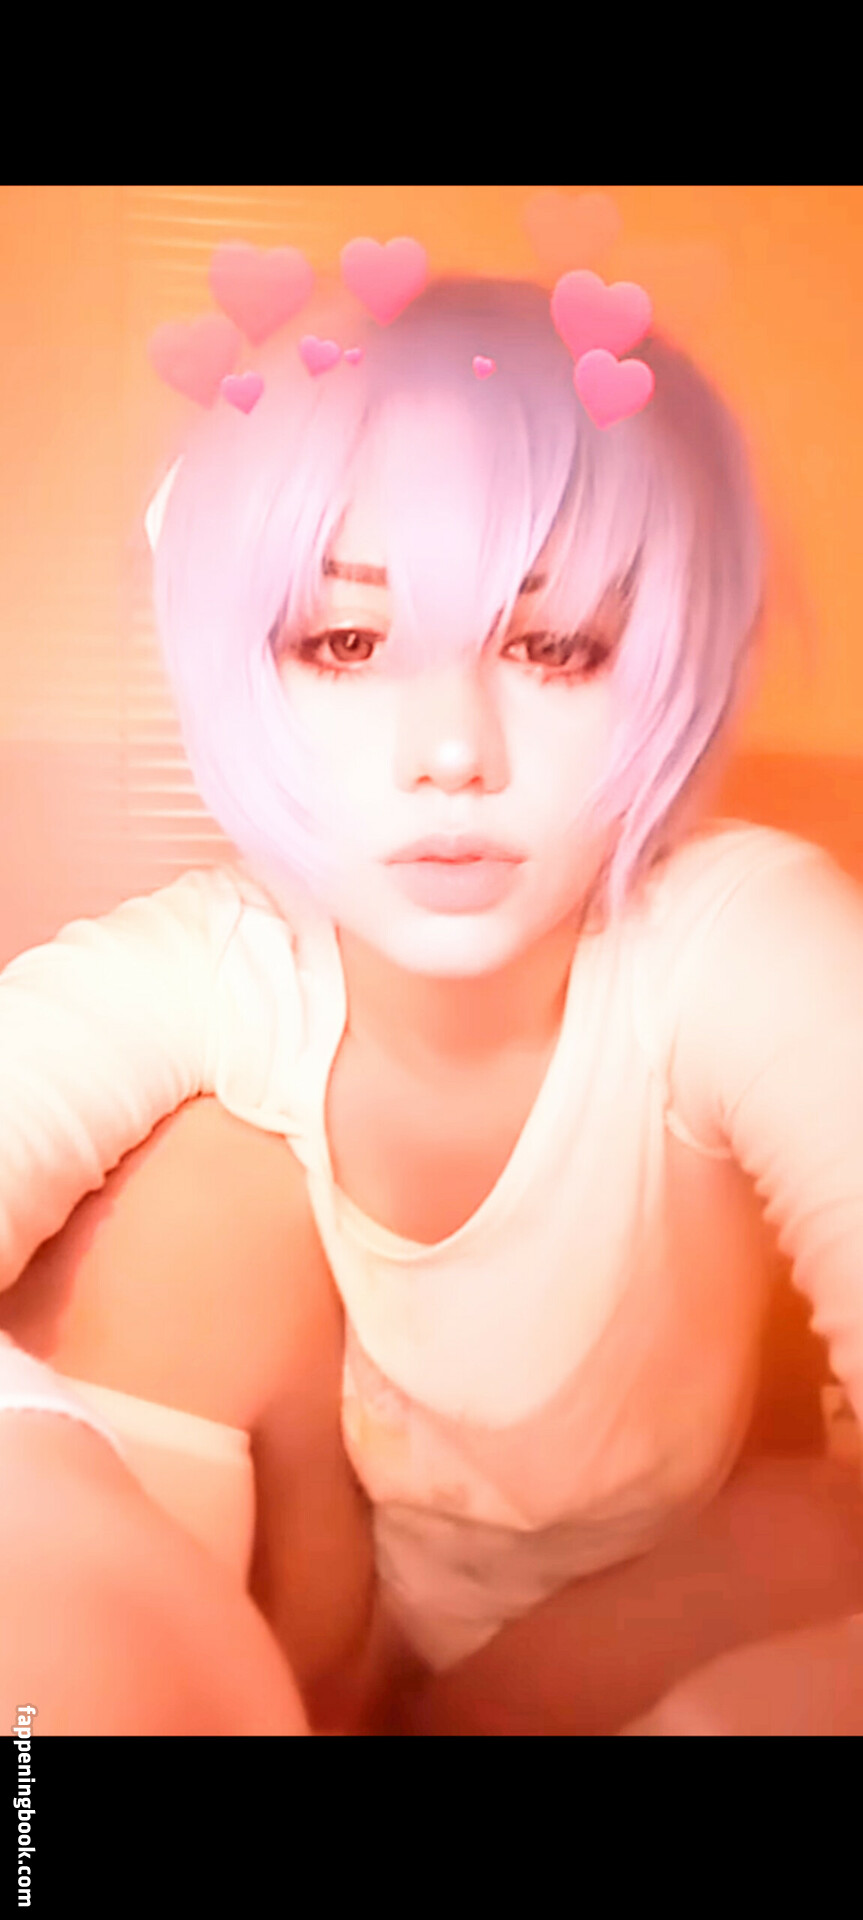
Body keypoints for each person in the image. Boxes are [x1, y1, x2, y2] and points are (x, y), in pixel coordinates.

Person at [1, 268, 863, 1736]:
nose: (452, 752)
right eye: (346, 643)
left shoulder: (736, 936)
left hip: (647, 1599)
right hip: (322, 1601)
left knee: (818, 1531)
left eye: (554, 644)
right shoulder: (222, 961)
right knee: (192, 1195)